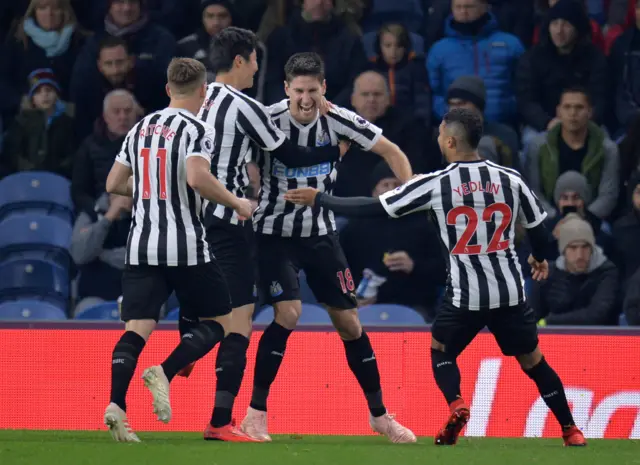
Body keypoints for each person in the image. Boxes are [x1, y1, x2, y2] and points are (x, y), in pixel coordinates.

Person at [284, 107, 587, 447]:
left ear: (452, 140)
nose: (439, 138)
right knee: (533, 361)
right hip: (510, 294)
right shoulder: (510, 179)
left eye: (442, 132)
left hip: (465, 295)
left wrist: (321, 199)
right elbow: (540, 231)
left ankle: (457, 404)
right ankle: (570, 429)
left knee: (440, 350)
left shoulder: (436, 184)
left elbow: (375, 208)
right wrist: (540, 257)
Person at [241, 52, 415, 443]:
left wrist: (410, 191)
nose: (305, 99)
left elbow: (392, 151)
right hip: (273, 234)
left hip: (321, 236)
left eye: (312, 91)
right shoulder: (266, 121)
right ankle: (255, 415)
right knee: (289, 312)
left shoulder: (339, 120)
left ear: (324, 90)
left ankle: (380, 417)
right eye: (298, 90)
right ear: (286, 89)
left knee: (351, 324)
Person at [196, 27, 349, 442]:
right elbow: (292, 155)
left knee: (219, 310)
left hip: (192, 217)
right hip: (233, 220)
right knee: (239, 323)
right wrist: (336, 150)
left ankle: (180, 358)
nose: (257, 68)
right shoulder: (246, 107)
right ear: (243, 59)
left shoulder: (199, 98)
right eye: (256, 60)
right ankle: (218, 417)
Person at [102, 57, 252, 443]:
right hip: (186, 245)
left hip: (141, 246)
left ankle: (117, 406)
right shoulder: (198, 128)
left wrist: (151, 189)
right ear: (203, 92)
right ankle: (165, 372)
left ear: (168, 89)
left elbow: (114, 183)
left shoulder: (139, 127)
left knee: (136, 328)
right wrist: (237, 202)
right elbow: (198, 177)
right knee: (220, 320)